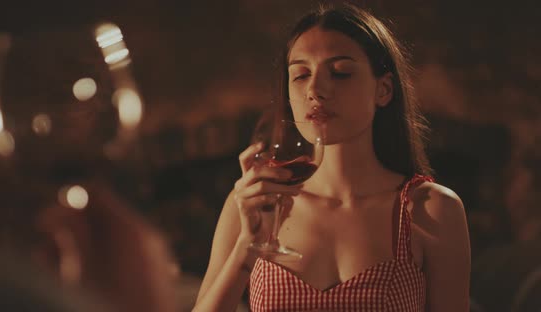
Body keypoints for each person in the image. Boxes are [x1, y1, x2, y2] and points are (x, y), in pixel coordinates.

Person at [194, 3, 471, 311]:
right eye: (300, 75)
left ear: (384, 90)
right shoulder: (255, 202)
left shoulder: (430, 209)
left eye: (340, 73)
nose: (315, 89)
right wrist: (247, 248)